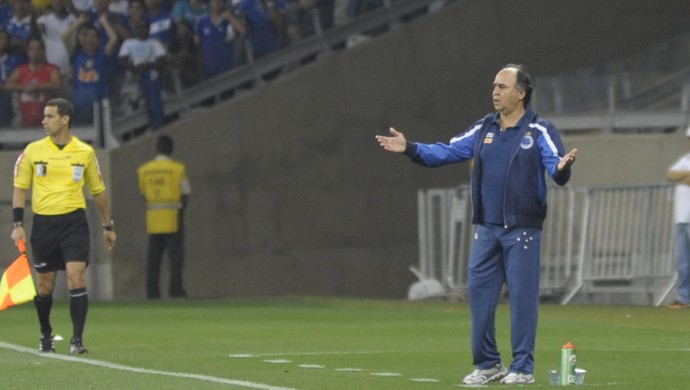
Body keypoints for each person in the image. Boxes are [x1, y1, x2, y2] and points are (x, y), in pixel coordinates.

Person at [375, 64, 578, 385]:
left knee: (522, 302)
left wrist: (564, 169)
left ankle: (522, 368)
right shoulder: (484, 128)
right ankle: (488, 364)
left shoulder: (539, 130)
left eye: (502, 87)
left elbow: (556, 166)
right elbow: (448, 151)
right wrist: (410, 148)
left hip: (523, 230)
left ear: (521, 93)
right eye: (494, 86)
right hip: (486, 229)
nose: (495, 92)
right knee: (481, 302)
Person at [11, 98, 116, 354]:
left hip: (74, 222)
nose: (43, 121)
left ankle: (76, 340)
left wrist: (107, 225)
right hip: (44, 224)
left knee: (75, 276)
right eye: (44, 116)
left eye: (49, 116)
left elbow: (98, 191)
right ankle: (46, 333)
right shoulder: (33, 151)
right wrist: (18, 224)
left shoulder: (85, 152)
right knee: (45, 286)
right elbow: (20, 189)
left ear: (65, 119)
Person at [137, 135, 190, 299]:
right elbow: (186, 194)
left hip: (153, 220)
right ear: (171, 149)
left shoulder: (144, 170)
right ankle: (176, 291)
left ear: (157, 148)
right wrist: (180, 211)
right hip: (173, 219)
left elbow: (143, 194)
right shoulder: (177, 169)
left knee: (153, 259)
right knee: (175, 258)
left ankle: (152, 292)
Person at [119, 16, 167, 129]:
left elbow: (161, 61)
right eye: (139, 27)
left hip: (151, 75)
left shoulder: (154, 43)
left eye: (144, 27)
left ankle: (157, 123)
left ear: (149, 29)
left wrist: (146, 65)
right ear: (134, 28)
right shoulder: (128, 43)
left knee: (150, 80)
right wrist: (135, 68)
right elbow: (122, 60)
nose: (142, 29)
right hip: (133, 77)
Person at [3, 38, 61, 127]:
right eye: (32, 49)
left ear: (43, 51)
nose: (35, 52)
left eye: (38, 49)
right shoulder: (22, 70)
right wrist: (24, 88)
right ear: (27, 51)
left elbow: (57, 84)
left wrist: (37, 87)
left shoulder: (51, 68)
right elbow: (7, 86)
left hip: (47, 119)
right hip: (24, 118)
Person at [665, 127, 690, 309]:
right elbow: (670, 174)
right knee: (682, 262)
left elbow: (679, 177)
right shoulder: (686, 159)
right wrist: (684, 176)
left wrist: (682, 177)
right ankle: (683, 297)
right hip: (681, 217)